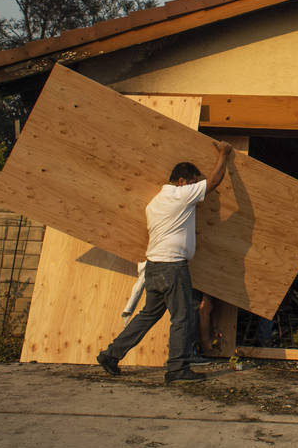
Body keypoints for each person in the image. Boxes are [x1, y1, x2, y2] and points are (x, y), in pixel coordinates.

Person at [97, 140, 231, 383]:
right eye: (192, 181)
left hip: (154, 267)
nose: (194, 186)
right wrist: (224, 154)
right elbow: (213, 182)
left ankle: (111, 354)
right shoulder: (181, 196)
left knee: (148, 315)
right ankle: (177, 369)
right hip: (172, 267)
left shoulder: (155, 202)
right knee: (183, 317)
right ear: (182, 181)